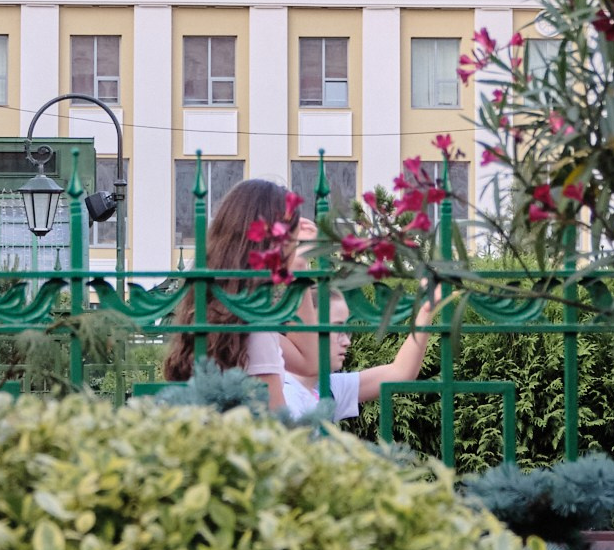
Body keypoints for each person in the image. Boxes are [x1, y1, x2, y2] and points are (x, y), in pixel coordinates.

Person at [250, 208, 432, 423]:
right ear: (305, 324)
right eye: (336, 327)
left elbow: (401, 372)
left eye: (346, 329)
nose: (346, 341)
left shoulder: (328, 387)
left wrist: (427, 309)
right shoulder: (284, 388)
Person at [160, 175, 302, 409]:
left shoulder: (204, 307)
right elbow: (278, 422)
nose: (296, 254)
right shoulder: (257, 324)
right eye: (294, 243)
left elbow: (308, 362)